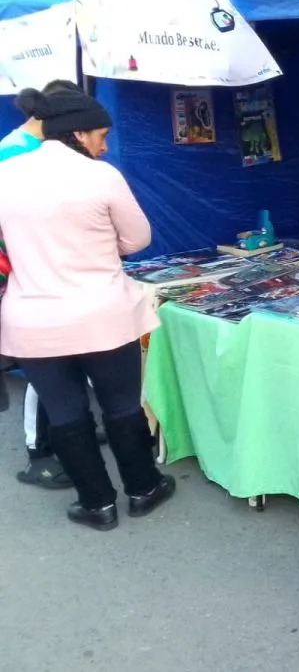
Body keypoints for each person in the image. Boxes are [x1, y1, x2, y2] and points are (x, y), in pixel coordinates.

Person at [0, 89, 174, 531]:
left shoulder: (5, 174)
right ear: (78, 133)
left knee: (64, 412)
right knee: (121, 405)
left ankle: (97, 504)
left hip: (33, 320)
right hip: (102, 316)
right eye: (101, 135)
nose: (105, 146)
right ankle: (143, 488)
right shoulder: (101, 176)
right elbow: (137, 239)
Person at [1, 80, 89, 490]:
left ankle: (69, 433)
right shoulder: (15, 154)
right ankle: (39, 453)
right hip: (26, 279)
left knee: (67, 363)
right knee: (44, 370)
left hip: (51, 276)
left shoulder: (38, 148)